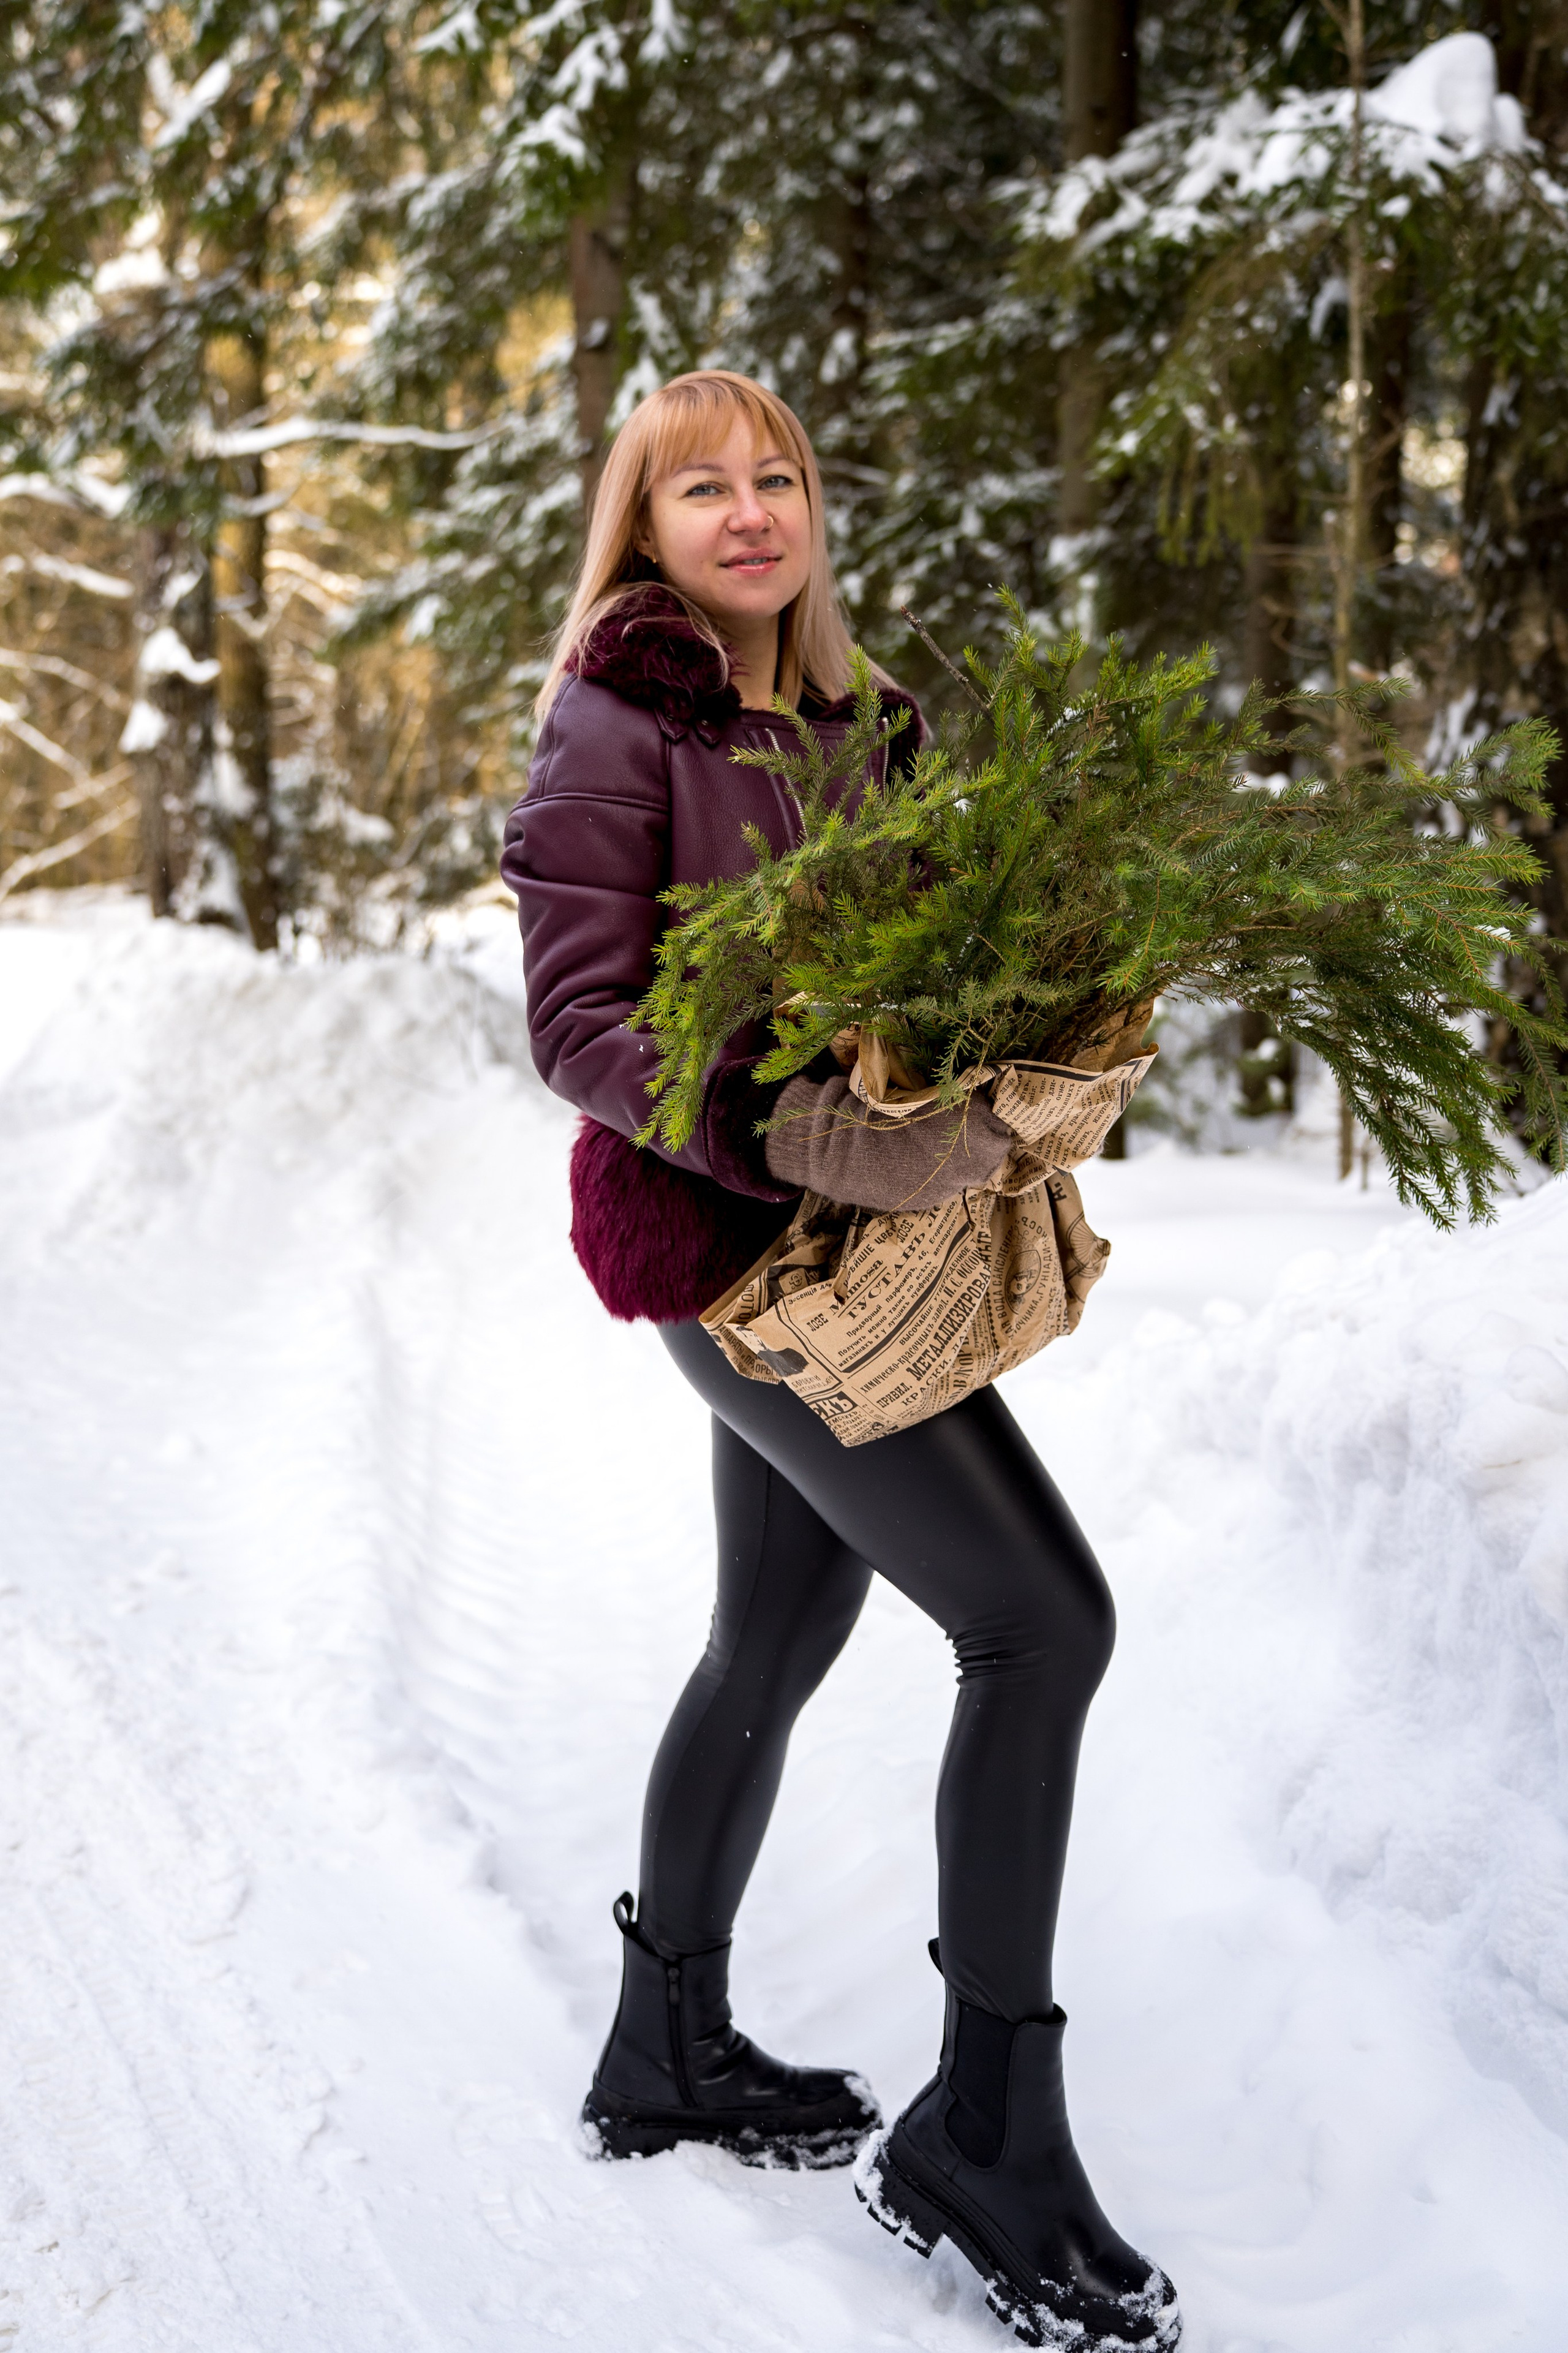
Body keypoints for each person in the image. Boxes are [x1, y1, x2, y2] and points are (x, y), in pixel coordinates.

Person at [501, 369, 1180, 2353]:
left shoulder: (866, 721)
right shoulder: (619, 718)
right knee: (1043, 1624)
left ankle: (668, 2047)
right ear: (642, 527)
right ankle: (985, 2141)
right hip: (744, 1256)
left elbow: (910, 969)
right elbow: (576, 1021)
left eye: (776, 473)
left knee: (777, 1637)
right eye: (698, 483)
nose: (747, 509)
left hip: (860, 1254)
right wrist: (789, 1126)